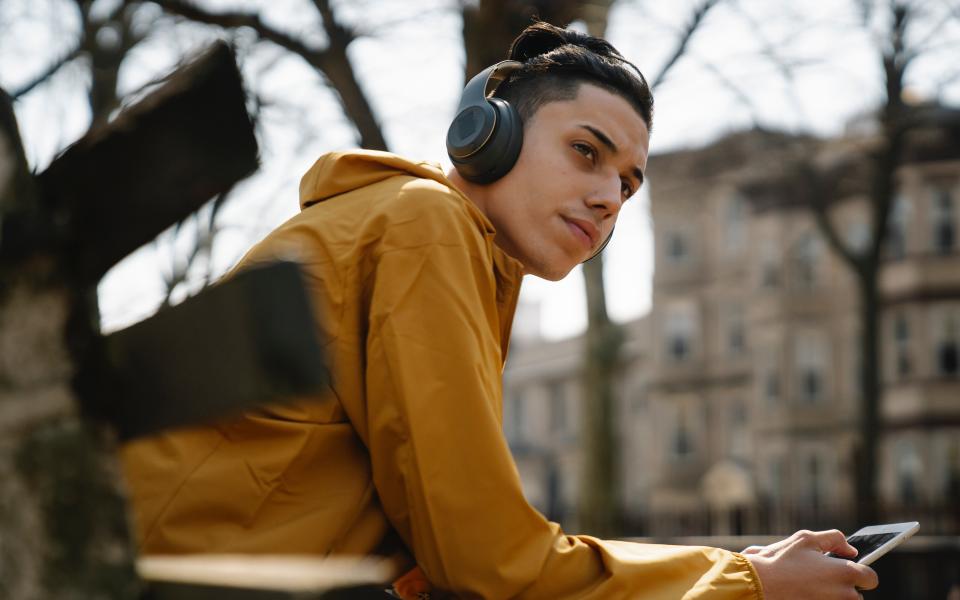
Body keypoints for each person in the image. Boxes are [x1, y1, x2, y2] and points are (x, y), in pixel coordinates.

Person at [121, 22, 879, 599]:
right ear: (487, 137)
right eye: (587, 151)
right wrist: (744, 581)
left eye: (628, 183)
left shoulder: (431, 240)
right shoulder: (425, 224)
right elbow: (488, 557)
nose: (609, 197)